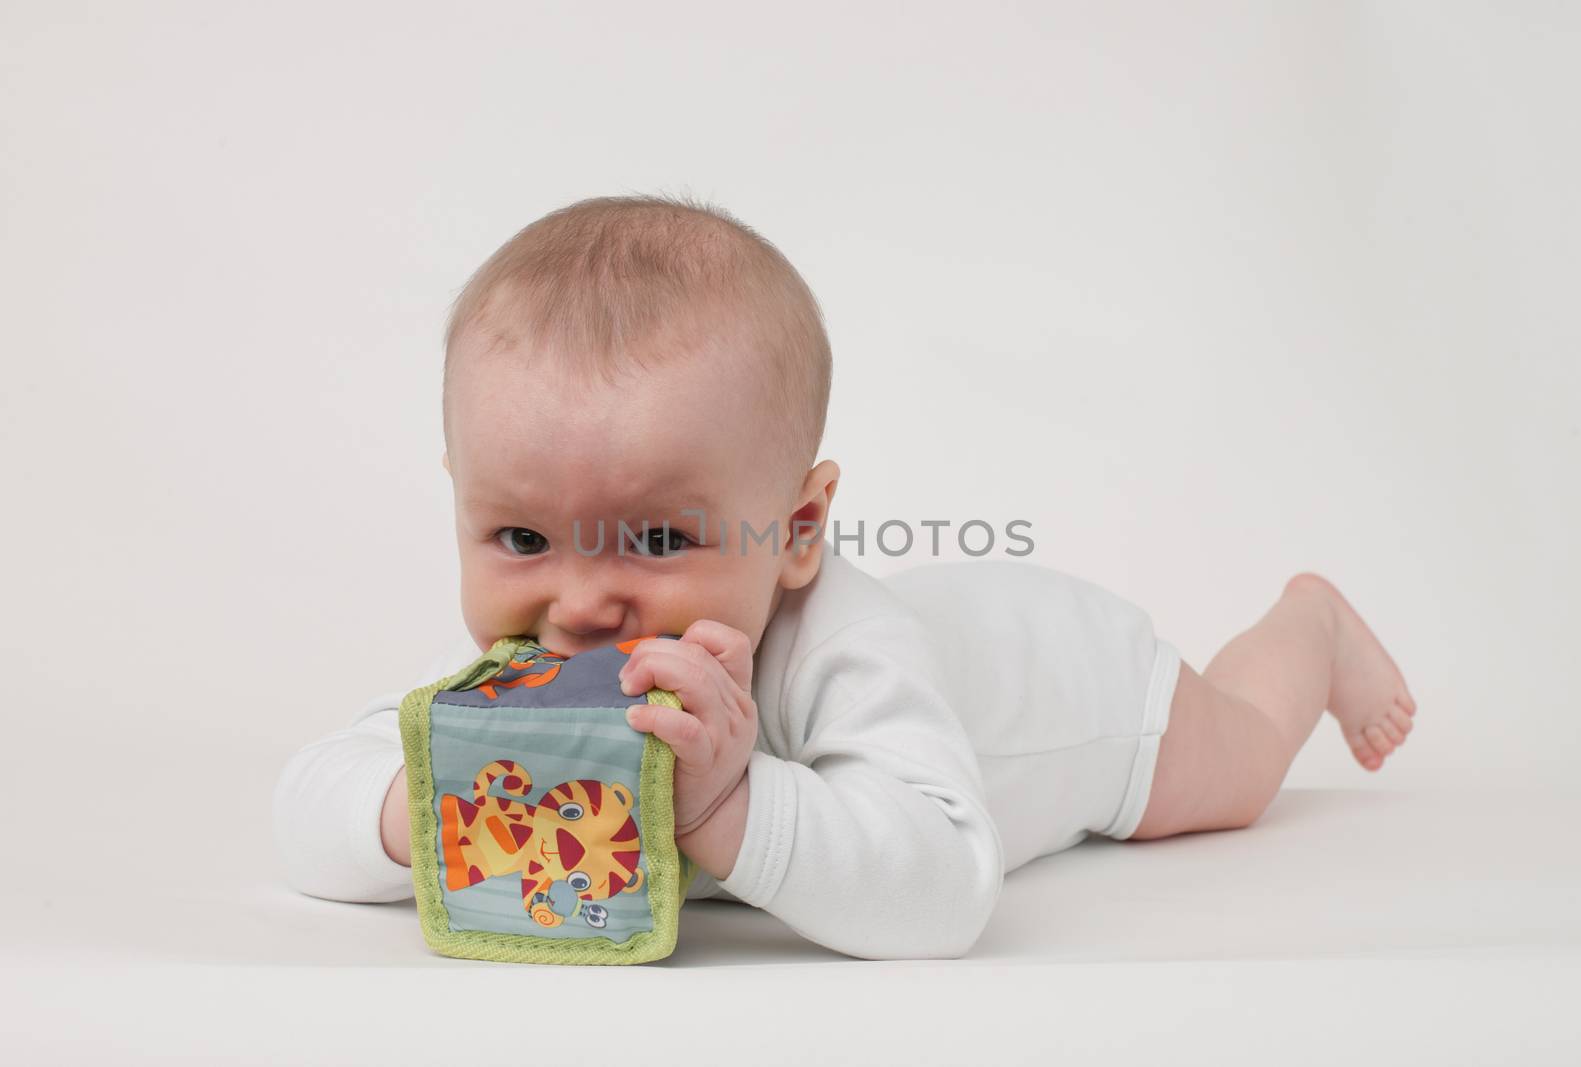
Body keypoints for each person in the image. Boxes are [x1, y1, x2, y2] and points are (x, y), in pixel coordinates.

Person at [272, 194, 1417, 960]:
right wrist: (443, 800)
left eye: (660, 541)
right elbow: (308, 806)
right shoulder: (520, 671)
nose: (578, 603)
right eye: (521, 539)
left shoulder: (843, 647)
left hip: (1087, 697)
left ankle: (1305, 628)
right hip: (1007, 667)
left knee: (1234, 772)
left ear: (799, 528)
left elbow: (944, 885)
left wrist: (727, 803)